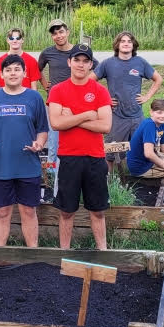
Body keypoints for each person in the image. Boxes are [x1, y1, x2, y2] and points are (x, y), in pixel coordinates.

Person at [0, 55, 49, 247]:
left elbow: (43, 130)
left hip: (28, 165)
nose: (13, 73)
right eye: (8, 70)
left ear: (25, 73)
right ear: (1, 74)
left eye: (17, 69)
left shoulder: (34, 98)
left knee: (28, 211)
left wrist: (39, 144)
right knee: (2, 211)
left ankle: (32, 254)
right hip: (2, 165)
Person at [47, 44, 112, 250]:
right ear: (69, 62)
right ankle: (63, 252)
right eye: (77, 60)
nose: (81, 65)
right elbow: (57, 123)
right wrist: (86, 115)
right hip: (69, 158)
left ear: (91, 65)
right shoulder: (58, 90)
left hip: (95, 158)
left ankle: (103, 252)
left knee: (98, 210)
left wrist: (73, 118)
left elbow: (105, 126)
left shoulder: (100, 91)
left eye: (85, 61)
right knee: (67, 211)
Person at [38, 18, 98, 191]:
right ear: (52, 36)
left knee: (76, 139)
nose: (58, 36)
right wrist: (44, 83)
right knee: (54, 142)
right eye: (55, 33)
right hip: (56, 103)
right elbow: (37, 69)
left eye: (61, 31)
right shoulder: (48, 53)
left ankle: (73, 177)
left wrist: (83, 84)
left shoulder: (79, 52)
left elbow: (97, 69)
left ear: (68, 32)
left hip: (78, 104)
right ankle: (51, 180)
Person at [94, 31, 163, 173]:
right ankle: (109, 182)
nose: (126, 43)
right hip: (116, 116)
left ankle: (139, 179)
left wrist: (147, 97)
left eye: (129, 41)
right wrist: (104, 98)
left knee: (143, 148)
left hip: (137, 116)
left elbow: (158, 79)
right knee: (110, 153)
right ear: (117, 45)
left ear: (133, 45)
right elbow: (90, 80)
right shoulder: (108, 63)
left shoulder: (140, 62)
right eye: (123, 41)